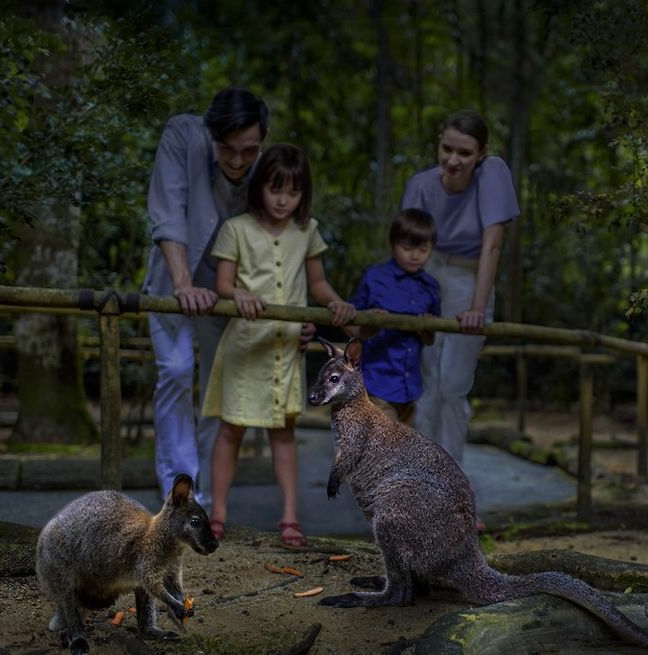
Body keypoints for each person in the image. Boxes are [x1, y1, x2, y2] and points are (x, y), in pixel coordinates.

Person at [143, 87, 312, 515]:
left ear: (263, 137)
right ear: (211, 133)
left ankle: (204, 502)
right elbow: (169, 213)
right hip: (175, 276)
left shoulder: (263, 165)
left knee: (220, 388)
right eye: (227, 149)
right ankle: (179, 493)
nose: (237, 160)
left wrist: (290, 318)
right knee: (177, 370)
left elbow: (282, 240)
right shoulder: (184, 135)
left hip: (230, 289)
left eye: (248, 150)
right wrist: (183, 284)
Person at [202, 143, 356, 547]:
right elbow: (222, 283)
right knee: (231, 428)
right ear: (259, 188)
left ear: (304, 193)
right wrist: (238, 295)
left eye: (293, 191)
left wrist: (335, 302)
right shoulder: (236, 228)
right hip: (244, 344)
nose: (284, 199)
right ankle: (217, 513)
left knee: (284, 431)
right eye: (275, 189)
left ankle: (290, 515)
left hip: (286, 349)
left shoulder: (308, 231)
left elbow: (318, 283)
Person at [400, 109, 520, 463]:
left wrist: (477, 308)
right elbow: (408, 250)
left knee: (454, 384)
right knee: (427, 384)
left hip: (470, 277)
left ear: (481, 153)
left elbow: (492, 245)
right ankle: (422, 485)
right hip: (428, 273)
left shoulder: (493, 173)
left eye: (465, 153)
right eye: (447, 149)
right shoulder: (420, 185)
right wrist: (411, 301)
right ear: (439, 141)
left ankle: (454, 487)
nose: (454, 160)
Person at [348, 208, 441, 424]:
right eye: (407, 247)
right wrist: (369, 324)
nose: (415, 255)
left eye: (423, 249)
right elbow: (350, 321)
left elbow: (430, 339)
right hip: (375, 383)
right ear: (392, 245)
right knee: (386, 447)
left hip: (410, 388)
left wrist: (425, 327)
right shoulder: (375, 278)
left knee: (402, 453)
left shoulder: (431, 287)